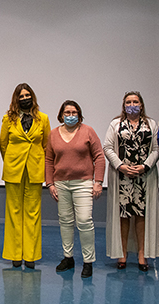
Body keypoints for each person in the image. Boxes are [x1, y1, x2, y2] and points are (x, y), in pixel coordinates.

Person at [45, 100, 105, 278]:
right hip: (61, 184)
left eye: (74, 113)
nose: (70, 116)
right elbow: (49, 159)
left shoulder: (88, 131)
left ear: (79, 114)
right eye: (67, 113)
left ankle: (88, 261)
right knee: (65, 221)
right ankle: (68, 257)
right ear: (61, 115)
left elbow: (99, 157)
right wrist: (50, 183)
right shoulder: (54, 134)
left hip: (83, 183)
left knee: (85, 221)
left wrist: (98, 181)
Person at [104, 91, 159, 271]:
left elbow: (156, 149)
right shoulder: (116, 124)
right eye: (128, 102)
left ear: (141, 104)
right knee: (123, 215)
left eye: (135, 101)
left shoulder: (151, 124)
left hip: (144, 176)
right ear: (124, 105)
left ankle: (142, 254)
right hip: (122, 177)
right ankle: (123, 253)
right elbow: (107, 147)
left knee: (142, 215)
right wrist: (120, 166)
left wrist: (145, 166)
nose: (132, 104)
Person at [0, 83, 50, 269]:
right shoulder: (8, 119)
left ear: (33, 97)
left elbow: (46, 145)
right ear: (16, 99)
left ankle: (30, 255)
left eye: (27, 95)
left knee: (33, 213)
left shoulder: (43, 119)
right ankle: (15, 254)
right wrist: (14, 161)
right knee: (13, 212)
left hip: (35, 170)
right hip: (13, 171)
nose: (24, 99)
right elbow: (3, 145)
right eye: (20, 96)